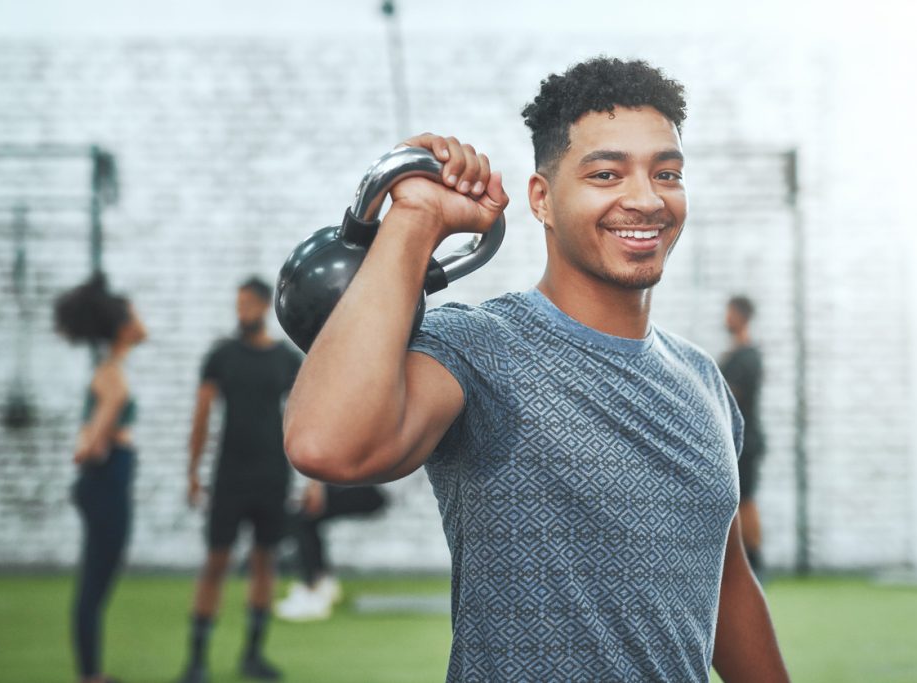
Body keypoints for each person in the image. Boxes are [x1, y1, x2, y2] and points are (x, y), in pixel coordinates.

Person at [284, 57, 789, 682]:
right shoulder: (480, 346)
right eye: (607, 173)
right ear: (542, 200)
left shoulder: (702, 381)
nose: (646, 198)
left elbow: (728, 587)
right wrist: (415, 218)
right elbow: (325, 444)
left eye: (667, 173)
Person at [177, 277, 302, 683]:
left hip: (272, 477)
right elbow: (202, 416)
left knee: (265, 563)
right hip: (229, 476)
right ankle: (196, 661)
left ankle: (252, 655)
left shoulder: (285, 359)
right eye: (237, 303)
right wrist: (194, 472)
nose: (240, 310)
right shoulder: (221, 356)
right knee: (216, 562)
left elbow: (304, 418)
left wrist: (312, 481)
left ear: (264, 306)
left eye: (247, 303)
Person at [55, 272, 148, 683]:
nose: (142, 323)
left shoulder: (111, 369)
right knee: (95, 582)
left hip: (106, 482)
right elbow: (88, 447)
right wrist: (100, 440)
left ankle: (91, 671)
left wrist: (99, 439)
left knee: (98, 579)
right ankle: (90, 675)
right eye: (135, 315)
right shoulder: (112, 375)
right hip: (105, 481)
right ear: (123, 327)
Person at [275, 482, 387, 621]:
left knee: (305, 518)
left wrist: (317, 486)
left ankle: (313, 593)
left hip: (374, 488)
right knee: (306, 518)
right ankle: (322, 583)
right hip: (365, 485)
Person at [719, 295, 767, 576]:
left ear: (740, 316)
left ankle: (756, 562)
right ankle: (745, 561)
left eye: (729, 313)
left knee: (746, 499)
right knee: (739, 500)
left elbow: (733, 394)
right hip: (733, 439)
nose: (725, 319)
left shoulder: (749, 357)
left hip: (747, 443)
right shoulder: (735, 353)